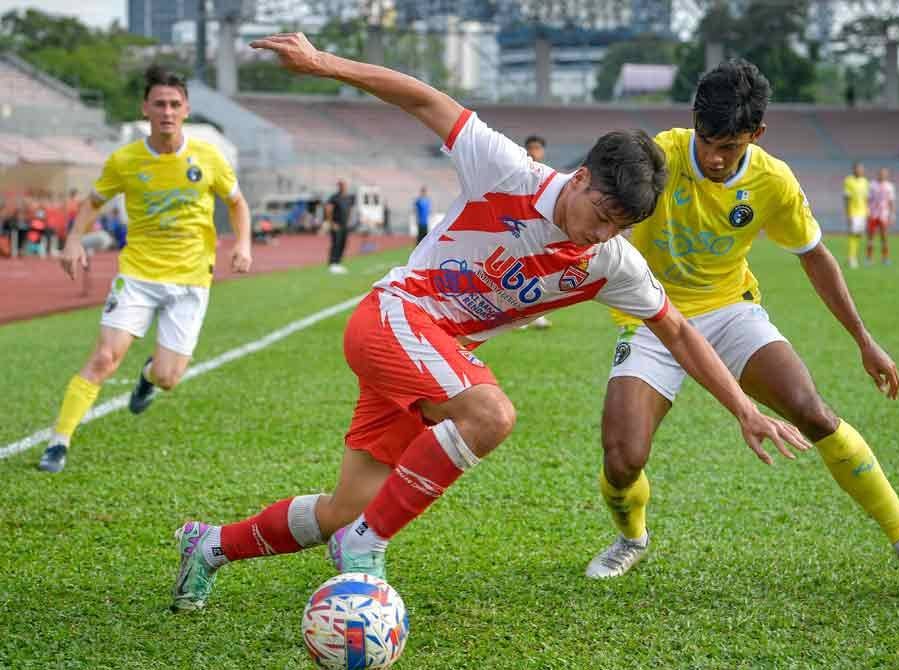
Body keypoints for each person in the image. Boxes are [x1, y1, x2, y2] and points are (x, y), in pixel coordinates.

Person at [168, 33, 809, 612]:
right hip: (393, 317)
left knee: (345, 507)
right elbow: (422, 98)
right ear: (580, 177)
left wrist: (744, 411)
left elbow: (679, 333)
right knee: (491, 414)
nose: (603, 233)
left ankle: (211, 547)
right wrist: (319, 62)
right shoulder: (506, 170)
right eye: (602, 213)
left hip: (428, 357)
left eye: (621, 226)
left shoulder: (611, 262)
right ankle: (365, 550)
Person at [585, 59, 899, 587]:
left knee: (813, 413)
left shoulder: (773, 181)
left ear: (757, 134)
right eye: (708, 140)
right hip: (654, 315)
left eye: (732, 146)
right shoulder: (661, 155)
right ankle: (632, 537)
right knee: (623, 457)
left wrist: (864, 339)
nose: (717, 157)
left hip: (730, 309)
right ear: (693, 120)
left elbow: (815, 256)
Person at [37, 65, 252, 474]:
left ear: (186, 109)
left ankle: (149, 378)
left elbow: (237, 202)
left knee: (170, 377)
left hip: (191, 280)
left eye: (174, 104)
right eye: (159, 104)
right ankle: (58, 442)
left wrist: (243, 243)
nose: (167, 111)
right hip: (137, 274)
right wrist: (72, 240)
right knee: (103, 358)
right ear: (146, 108)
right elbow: (93, 202)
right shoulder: (125, 160)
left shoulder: (208, 157)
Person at [521, 134, 552, 330]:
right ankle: (513, 318)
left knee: (539, 272)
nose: (534, 152)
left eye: (537, 148)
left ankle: (535, 316)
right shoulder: (520, 173)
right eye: (531, 148)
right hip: (520, 227)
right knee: (517, 271)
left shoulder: (549, 176)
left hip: (540, 230)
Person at [866, 167, 895, 265]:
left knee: (884, 237)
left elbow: (891, 201)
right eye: (881, 173)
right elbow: (868, 199)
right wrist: (867, 211)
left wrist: (892, 214)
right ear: (878, 174)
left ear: (887, 175)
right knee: (871, 237)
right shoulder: (872, 185)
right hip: (873, 214)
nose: (882, 175)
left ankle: (885, 258)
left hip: (884, 215)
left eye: (885, 174)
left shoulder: (889, 186)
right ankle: (869, 258)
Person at [843, 161, 868, 269]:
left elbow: (866, 198)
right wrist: (848, 214)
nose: (860, 171)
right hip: (853, 212)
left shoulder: (865, 181)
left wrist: (867, 211)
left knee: (858, 235)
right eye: (858, 169)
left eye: (862, 169)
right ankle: (851, 258)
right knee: (853, 235)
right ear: (854, 169)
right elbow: (846, 198)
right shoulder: (849, 181)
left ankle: (853, 257)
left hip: (863, 212)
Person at [326, 179, 353, 274]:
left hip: (345, 225)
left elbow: (349, 209)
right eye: (341, 185)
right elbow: (328, 209)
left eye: (344, 185)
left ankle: (338, 262)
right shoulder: (334, 197)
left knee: (343, 243)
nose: (343, 187)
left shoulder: (348, 197)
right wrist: (331, 223)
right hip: (336, 224)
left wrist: (349, 220)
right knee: (336, 243)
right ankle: (332, 263)